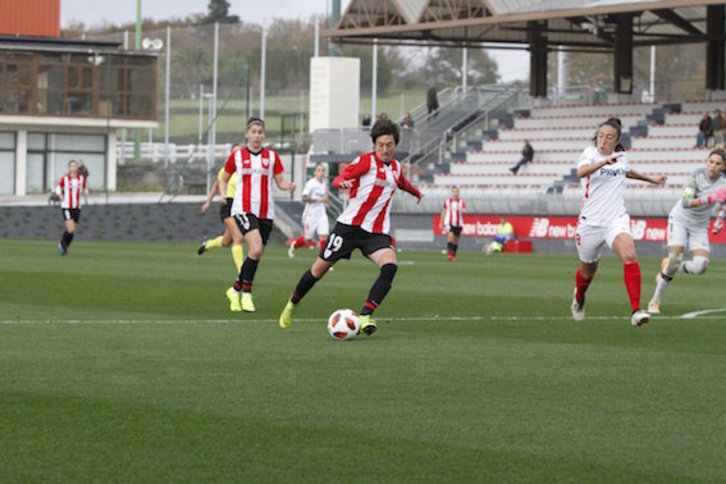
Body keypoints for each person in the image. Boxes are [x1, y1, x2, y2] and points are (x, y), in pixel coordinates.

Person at [279, 119, 422, 335]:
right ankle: (292, 303)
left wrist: (416, 193)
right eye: (380, 145)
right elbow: (340, 178)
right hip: (349, 228)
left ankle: (365, 315)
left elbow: (402, 183)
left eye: (389, 145)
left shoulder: (396, 168)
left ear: (395, 145)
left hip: (376, 232)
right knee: (318, 270)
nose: (384, 149)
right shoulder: (366, 161)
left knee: (390, 266)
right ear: (374, 144)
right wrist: (342, 184)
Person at [570, 117, 667, 327]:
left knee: (630, 255)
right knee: (587, 272)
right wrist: (603, 161)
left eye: (609, 138)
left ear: (617, 141)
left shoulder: (621, 156)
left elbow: (626, 171)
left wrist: (652, 180)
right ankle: (579, 298)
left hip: (615, 218)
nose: (603, 141)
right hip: (590, 223)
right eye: (601, 136)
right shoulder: (590, 153)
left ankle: (636, 310)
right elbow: (581, 172)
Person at [218, 117, 296, 312]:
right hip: (243, 208)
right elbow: (223, 178)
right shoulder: (237, 156)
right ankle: (246, 293)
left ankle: (235, 289)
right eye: (253, 132)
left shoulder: (271, 157)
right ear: (247, 134)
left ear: (264, 135)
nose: (256, 136)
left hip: (265, 212)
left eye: (260, 132)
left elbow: (280, 182)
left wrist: (289, 186)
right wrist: (222, 194)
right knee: (256, 248)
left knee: (256, 253)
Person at [648, 149, 726, 314]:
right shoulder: (697, 175)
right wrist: (709, 198)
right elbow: (685, 202)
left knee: (701, 266)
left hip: (700, 225)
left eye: (718, 164)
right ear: (706, 162)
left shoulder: (724, 182)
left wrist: (720, 219)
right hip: (680, 220)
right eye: (711, 162)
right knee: (675, 258)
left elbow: (723, 203)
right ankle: (654, 302)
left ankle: (668, 266)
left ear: (723, 167)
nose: (713, 166)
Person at [198, 144, 245, 273]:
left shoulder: (247, 171)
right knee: (238, 238)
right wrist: (208, 202)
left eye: (240, 153)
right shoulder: (226, 170)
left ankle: (207, 245)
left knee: (226, 242)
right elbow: (216, 187)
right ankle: (242, 273)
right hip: (228, 205)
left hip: (241, 206)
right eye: (235, 153)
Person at [289, 162, 330, 258]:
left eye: (323, 170)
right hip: (310, 215)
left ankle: (322, 260)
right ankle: (294, 245)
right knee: (308, 239)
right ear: (315, 172)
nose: (321, 173)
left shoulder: (324, 184)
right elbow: (304, 198)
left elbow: (323, 198)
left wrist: (325, 204)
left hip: (321, 215)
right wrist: (319, 200)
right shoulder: (311, 184)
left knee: (323, 237)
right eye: (319, 170)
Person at [56, 159, 89, 256]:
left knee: (72, 231)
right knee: (70, 229)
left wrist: (86, 191)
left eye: (75, 166)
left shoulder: (81, 179)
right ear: (69, 168)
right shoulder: (65, 178)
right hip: (67, 206)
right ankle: (62, 244)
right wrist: (60, 195)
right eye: (71, 166)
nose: (73, 168)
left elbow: (84, 187)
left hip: (77, 207)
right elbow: (58, 187)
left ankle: (65, 247)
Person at [439, 187, 466, 261]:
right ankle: (450, 254)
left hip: (458, 224)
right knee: (450, 237)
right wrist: (441, 222)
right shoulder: (447, 202)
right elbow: (444, 211)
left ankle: (453, 254)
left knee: (455, 241)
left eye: (456, 192)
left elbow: (465, 210)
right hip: (449, 223)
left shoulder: (461, 202)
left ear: (458, 193)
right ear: (452, 193)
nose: (455, 193)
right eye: (454, 192)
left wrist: (462, 210)